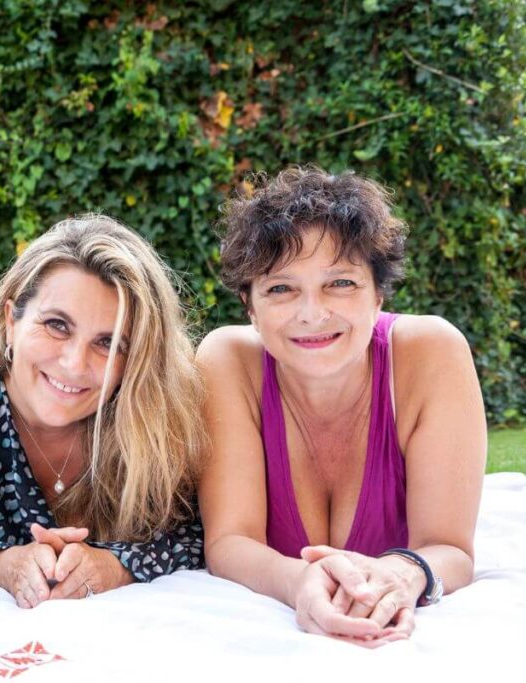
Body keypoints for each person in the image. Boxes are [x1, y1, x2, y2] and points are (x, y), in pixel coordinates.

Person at [197, 167, 486, 646]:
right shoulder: (228, 360)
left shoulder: (432, 352)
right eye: (281, 289)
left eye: (341, 283)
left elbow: (450, 549)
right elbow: (229, 543)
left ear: (379, 293)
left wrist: (399, 575)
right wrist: (298, 583)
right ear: (250, 307)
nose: (312, 313)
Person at [0, 214, 207, 608]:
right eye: (57, 325)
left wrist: (114, 566)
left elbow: (198, 535)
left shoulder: (155, 412)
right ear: (11, 320)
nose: (75, 364)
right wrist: (1, 564)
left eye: (108, 343)